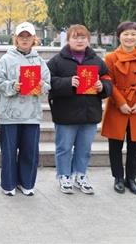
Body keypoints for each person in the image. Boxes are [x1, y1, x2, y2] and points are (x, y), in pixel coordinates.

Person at [47, 24, 112, 195]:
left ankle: (80, 175)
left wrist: (102, 86)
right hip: (65, 113)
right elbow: (47, 82)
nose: (80, 40)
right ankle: (64, 176)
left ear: (88, 40)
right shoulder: (57, 61)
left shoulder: (97, 61)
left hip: (89, 113)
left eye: (83, 37)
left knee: (84, 148)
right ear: (68, 40)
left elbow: (108, 80)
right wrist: (68, 82)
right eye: (75, 37)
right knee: (64, 148)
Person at [101, 21, 136, 195]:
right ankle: (118, 178)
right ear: (119, 36)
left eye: (133, 34)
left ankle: (131, 179)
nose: (129, 37)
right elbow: (109, 82)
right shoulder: (111, 58)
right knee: (115, 145)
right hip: (117, 106)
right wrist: (121, 103)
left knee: (135, 145)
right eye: (125, 34)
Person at [0, 22, 50, 196]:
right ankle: (8, 184)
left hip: (32, 114)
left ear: (34, 39)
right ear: (16, 39)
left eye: (28, 36)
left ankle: (26, 183)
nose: (25, 40)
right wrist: (13, 86)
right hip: (9, 113)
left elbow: (48, 83)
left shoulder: (39, 61)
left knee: (30, 151)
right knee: (9, 152)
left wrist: (41, 85)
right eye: (21, 36)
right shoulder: (6, 59)